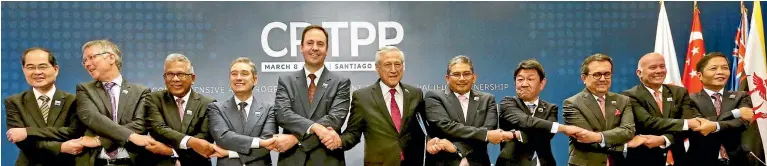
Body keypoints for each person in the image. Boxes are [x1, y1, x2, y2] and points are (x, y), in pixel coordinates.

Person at [273, 25, 351, 166]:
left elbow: (335, 120)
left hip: (328, 160)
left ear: (326, 50)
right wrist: (316, 128)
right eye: (310, 43)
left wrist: (296, 139)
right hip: (292, 160)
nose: (315, 48)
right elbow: (282, 114)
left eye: (320, 44)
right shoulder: (286, 81)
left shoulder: (341, 82)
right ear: (301, 47)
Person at [339, 46, 426, 166]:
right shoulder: (362, 97)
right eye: (388, 65)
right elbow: (353, 133)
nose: (393, 70)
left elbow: (424, 129)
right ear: (377, 68)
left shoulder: (416, 94)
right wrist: (338, 141)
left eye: (398, 64)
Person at [75, 39, 154, 166]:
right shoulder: (84, 89)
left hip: (132, 161)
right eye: (84, 61)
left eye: (91, 57)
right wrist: (131, 136)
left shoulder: (141, 91)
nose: (87, 64)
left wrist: (100, 140)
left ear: (111, 58)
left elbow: (140, 124)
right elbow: (92, 118)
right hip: (95, 161)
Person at [621, 52, 707, 166]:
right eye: (653, 67)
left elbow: (688, 128)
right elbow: (648, 122)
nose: (659, 71)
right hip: (644, 160)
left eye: (662, 66)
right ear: (639, 73)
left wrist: (664, 140)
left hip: (679, 159)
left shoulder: (679, 92)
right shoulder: (629, 96)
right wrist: (687, 123)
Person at [496, 59, 585, 166]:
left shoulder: (550, 108)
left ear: (542, 83)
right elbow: (526, 121)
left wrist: (514, 135)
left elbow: (545, 135)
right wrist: (563, 128)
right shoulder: (508, 103)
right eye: (520, 79)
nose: (524, 84)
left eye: (530, 79)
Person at [424, 55, 505, 166]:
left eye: (466, 74)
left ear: (474, 77)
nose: (462, 78)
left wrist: (456, 147)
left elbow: (489, 130)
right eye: (456, 74)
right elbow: (445, 127)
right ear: (447, 78)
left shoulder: (487, 99)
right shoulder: (434, 97)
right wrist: (485, 134)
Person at [5, 47, 81, 165]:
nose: (37, 72)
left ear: (56, 69)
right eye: (30, 67)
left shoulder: (73, 100)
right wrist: (60, 147)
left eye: (42, 66)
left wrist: (28, 132)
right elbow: (21, 141)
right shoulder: (14, 102)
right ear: (23, 70)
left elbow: (73, 132)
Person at [563, 53, 636, 166]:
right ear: (584, 78)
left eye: (607, 74)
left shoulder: (623, 101)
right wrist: (625, 144)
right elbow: (584, 138)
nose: (603, 79)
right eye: (597, 74)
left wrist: (598, 137)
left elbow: (628, 131)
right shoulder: (572, 104)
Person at [144, 53, 217, 165]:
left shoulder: (208, 104)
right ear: (164, 78)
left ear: (192, 78)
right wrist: (190, 141)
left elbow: (205, 140)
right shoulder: (153, 99)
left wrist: (170, 151)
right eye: (170, 74)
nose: (175, 79)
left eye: (181, 74)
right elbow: (159, 129)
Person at [208, 57, 278, 166]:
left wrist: (230, 153)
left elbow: (268, 144)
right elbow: (223, 138)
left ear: (255, 80)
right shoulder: (216, 108)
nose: (238, 78)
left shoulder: (269, 109)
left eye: (244, 74)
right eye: (234, 74)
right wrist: (258, 142)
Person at [686, 52, 752, 166]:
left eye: (725, 68)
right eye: (713, 68)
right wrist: (735, 113)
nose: (720, 72)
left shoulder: (742, 96)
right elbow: (699, 124)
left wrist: (714, 126)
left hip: (737, 160)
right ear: (699, 75)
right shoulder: (688, 99)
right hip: (700, 160)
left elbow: (742, 123)